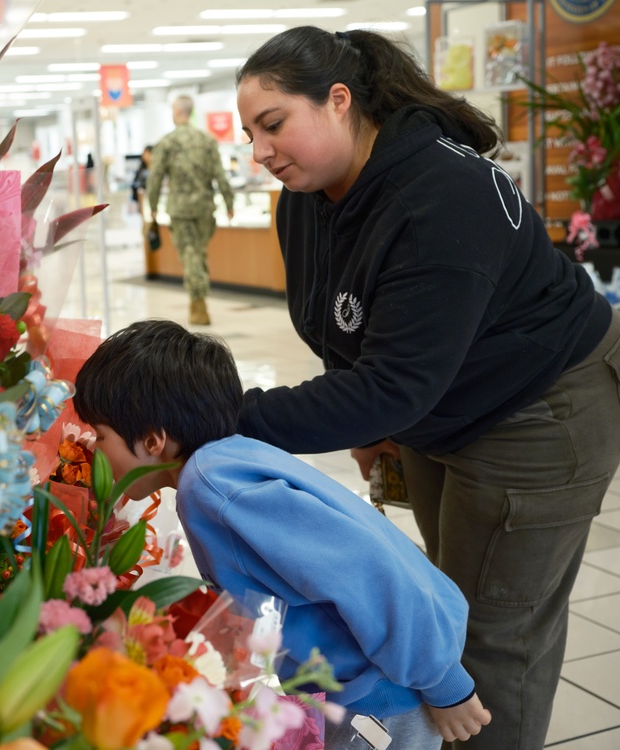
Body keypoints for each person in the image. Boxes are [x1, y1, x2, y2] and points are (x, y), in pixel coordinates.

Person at [234, 26, 620, 750]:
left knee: (492, 637)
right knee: (448, 606)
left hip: (541, 410)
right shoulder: (308, 202)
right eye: (250, 132)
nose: (260, 151)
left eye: (274, 124)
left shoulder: (440, 196)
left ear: (339, 101)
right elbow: (350, 339)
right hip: (443, 410)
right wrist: (369, 428)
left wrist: (228, 416)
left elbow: (394, 385)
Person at [74, 319, 491, 750]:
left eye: (100, 436)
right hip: (381, 676)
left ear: (152, 440)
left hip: (382, 694)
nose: (92, 450)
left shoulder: (213, 487)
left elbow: (367, 570)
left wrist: (443, 682)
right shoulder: (225, 461)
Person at [146, 95, 235, 326]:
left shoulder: (166, 142)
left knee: (191, 255)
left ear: (176, 113)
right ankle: (199, 298)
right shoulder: (207, 140)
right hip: (205, 209)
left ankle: (198, 306)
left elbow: (155, 178)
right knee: (199, 252)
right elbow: (220, 174)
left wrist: (152, 206)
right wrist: (229, 202)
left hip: (181, 210)